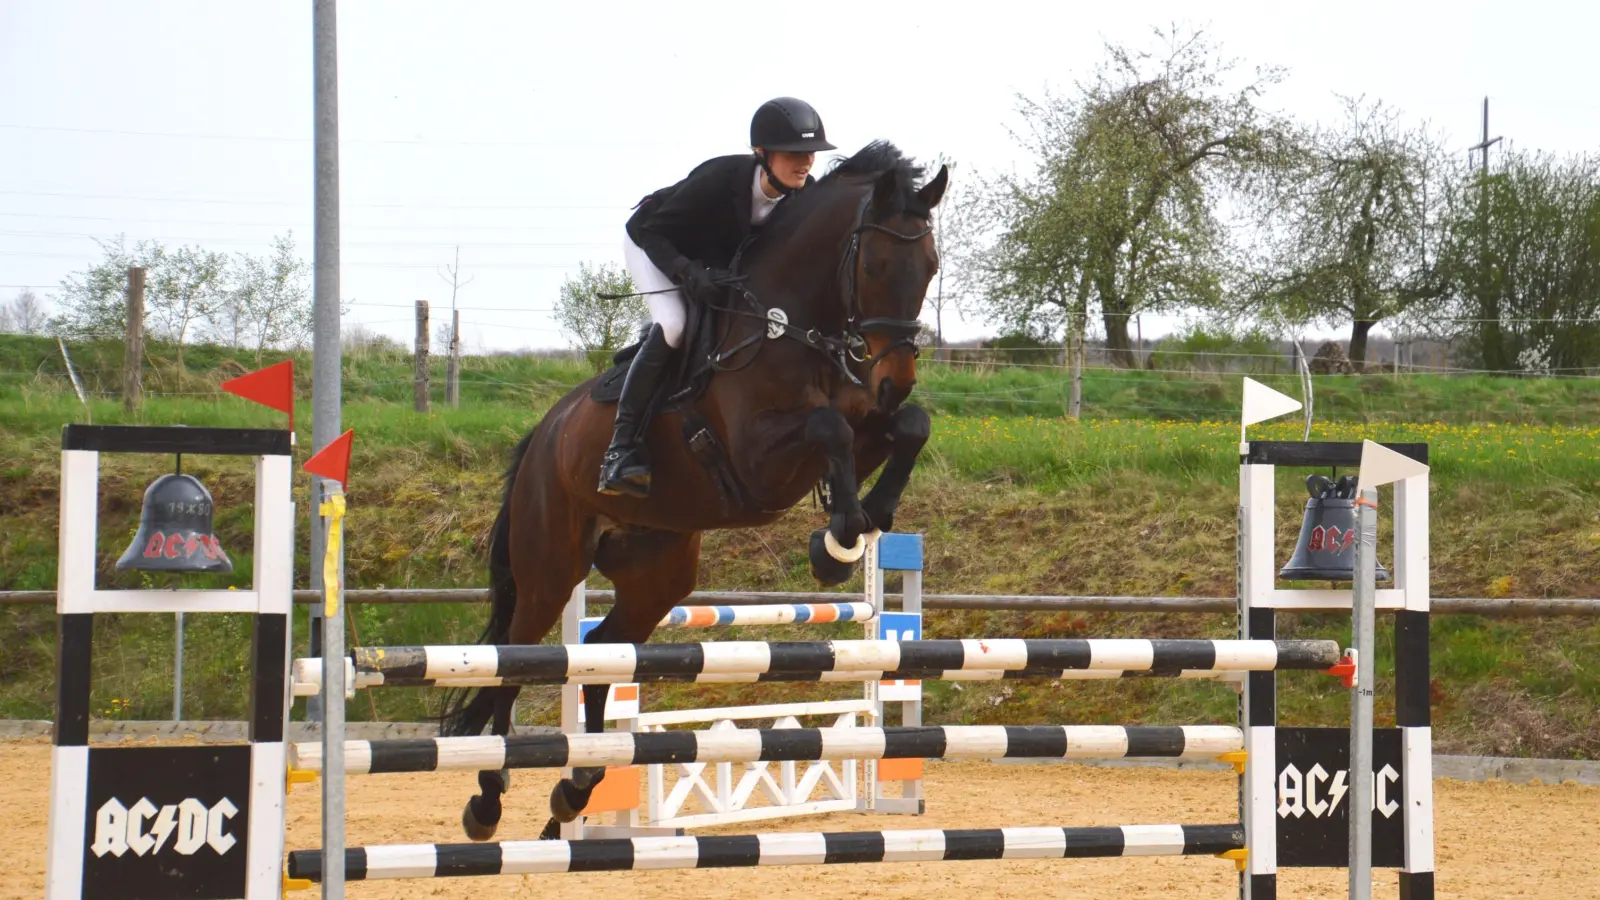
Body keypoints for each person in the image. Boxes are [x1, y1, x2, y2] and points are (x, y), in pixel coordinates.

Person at [597, 96, 837, 498]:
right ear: (761, 153)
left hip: (708, 261)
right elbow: (651, 232)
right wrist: (688, 273)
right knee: (675, 325)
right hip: (652, 244)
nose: (807, 162)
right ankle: (619, 450)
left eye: (811, 152)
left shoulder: (802, 198)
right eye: (794, 153)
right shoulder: (720, 179)